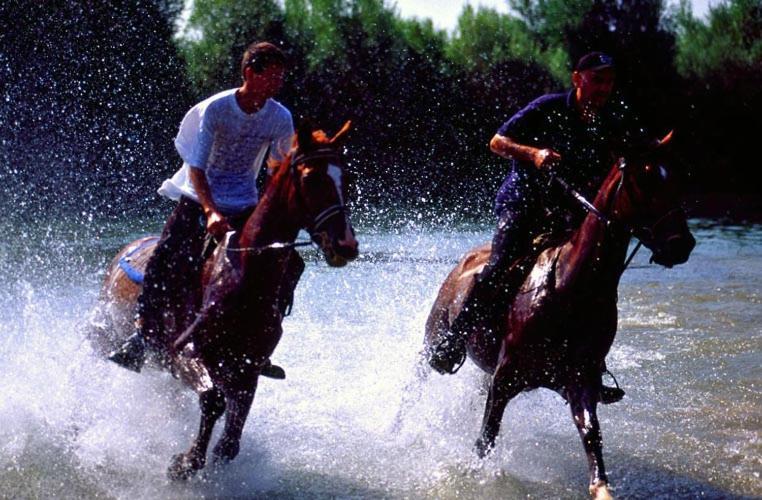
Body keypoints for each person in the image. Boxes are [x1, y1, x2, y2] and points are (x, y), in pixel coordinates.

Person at [431, 52, 641, 403]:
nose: (603, 88)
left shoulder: (609, 121)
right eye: (596, 79)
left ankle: (592, 363)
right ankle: (455, 338)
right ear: (577, 79)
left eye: (608, 80)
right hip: (522, 204)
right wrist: (534, 154)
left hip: (569, 211)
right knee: (500, 264)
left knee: (595, 273)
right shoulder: (548, 107)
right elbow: (497, 143)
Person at [109, 41, 294, 376]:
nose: (278, 84)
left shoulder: (280, 118)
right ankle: (143, 333)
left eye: (281, 77)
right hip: (199, 195)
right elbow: (196, 166)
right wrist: (209, 211)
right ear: (250, 72)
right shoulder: (218, 110)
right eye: (273, 76)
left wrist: (271, 214)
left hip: (243, 202)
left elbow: (277, 171)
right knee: (167, 257)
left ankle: (261, 342)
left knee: (289, 262)